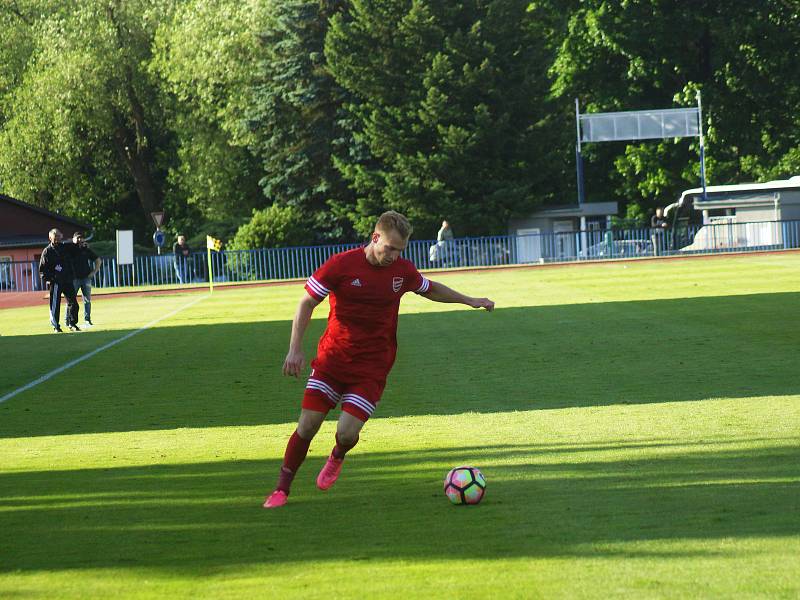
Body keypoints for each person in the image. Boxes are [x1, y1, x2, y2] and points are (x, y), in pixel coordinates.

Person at [263, 210, 495, 508]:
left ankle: (337, 455)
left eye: (400, 250)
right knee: (307, 426)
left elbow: (430, 288)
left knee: (346, 434)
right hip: (332, 361)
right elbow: (307, 301)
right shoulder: (342, 265)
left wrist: (470, 300)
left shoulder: (402, 271)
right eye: (390, 248)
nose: (395, 256)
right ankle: (282, 489)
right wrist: (295, 348)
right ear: (375, 237)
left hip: (371, 369)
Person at [38, 228, 80, 332]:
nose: (57, 238)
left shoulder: (65, 247)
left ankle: (72, 323)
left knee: (73, 303)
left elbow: (76, 251)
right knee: (55, 304)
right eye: (55, 236)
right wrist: (52, 278)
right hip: (56, 282)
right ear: (50, 238)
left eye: (58, 235)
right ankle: (56, 326)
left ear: (61, 236)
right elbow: (42, 270)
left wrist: (77, 242)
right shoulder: (47, 251)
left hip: (67, 280)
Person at [68, 231, 101, 326]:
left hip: (86, 278)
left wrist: (94, 272)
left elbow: (98, 260)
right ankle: (68, 320)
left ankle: (87, 319)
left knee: (87, 300)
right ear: (73, 239)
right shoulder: (70, 249)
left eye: (81, 238)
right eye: (77, 237)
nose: (79, 239)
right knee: (71, 300)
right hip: (73, 279)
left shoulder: (85, 249)